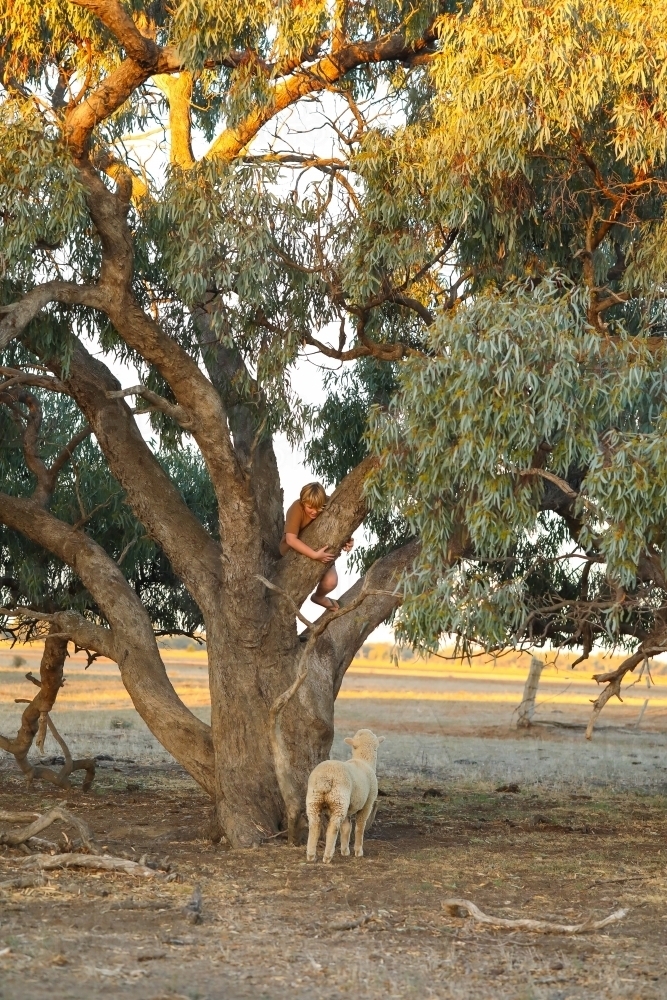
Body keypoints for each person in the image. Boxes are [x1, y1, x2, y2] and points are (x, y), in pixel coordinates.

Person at [280, 482, 353, 610]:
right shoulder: (296, 508)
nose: (314, 511)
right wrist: (315, 555)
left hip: (319, 547)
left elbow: (339, 524)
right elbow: (291, 539)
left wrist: (348, 540)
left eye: (319, 508)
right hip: (293, 550)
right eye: (310, 508)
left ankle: (318, 597)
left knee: (331, 581)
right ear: (303, 502)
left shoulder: (329, 503)